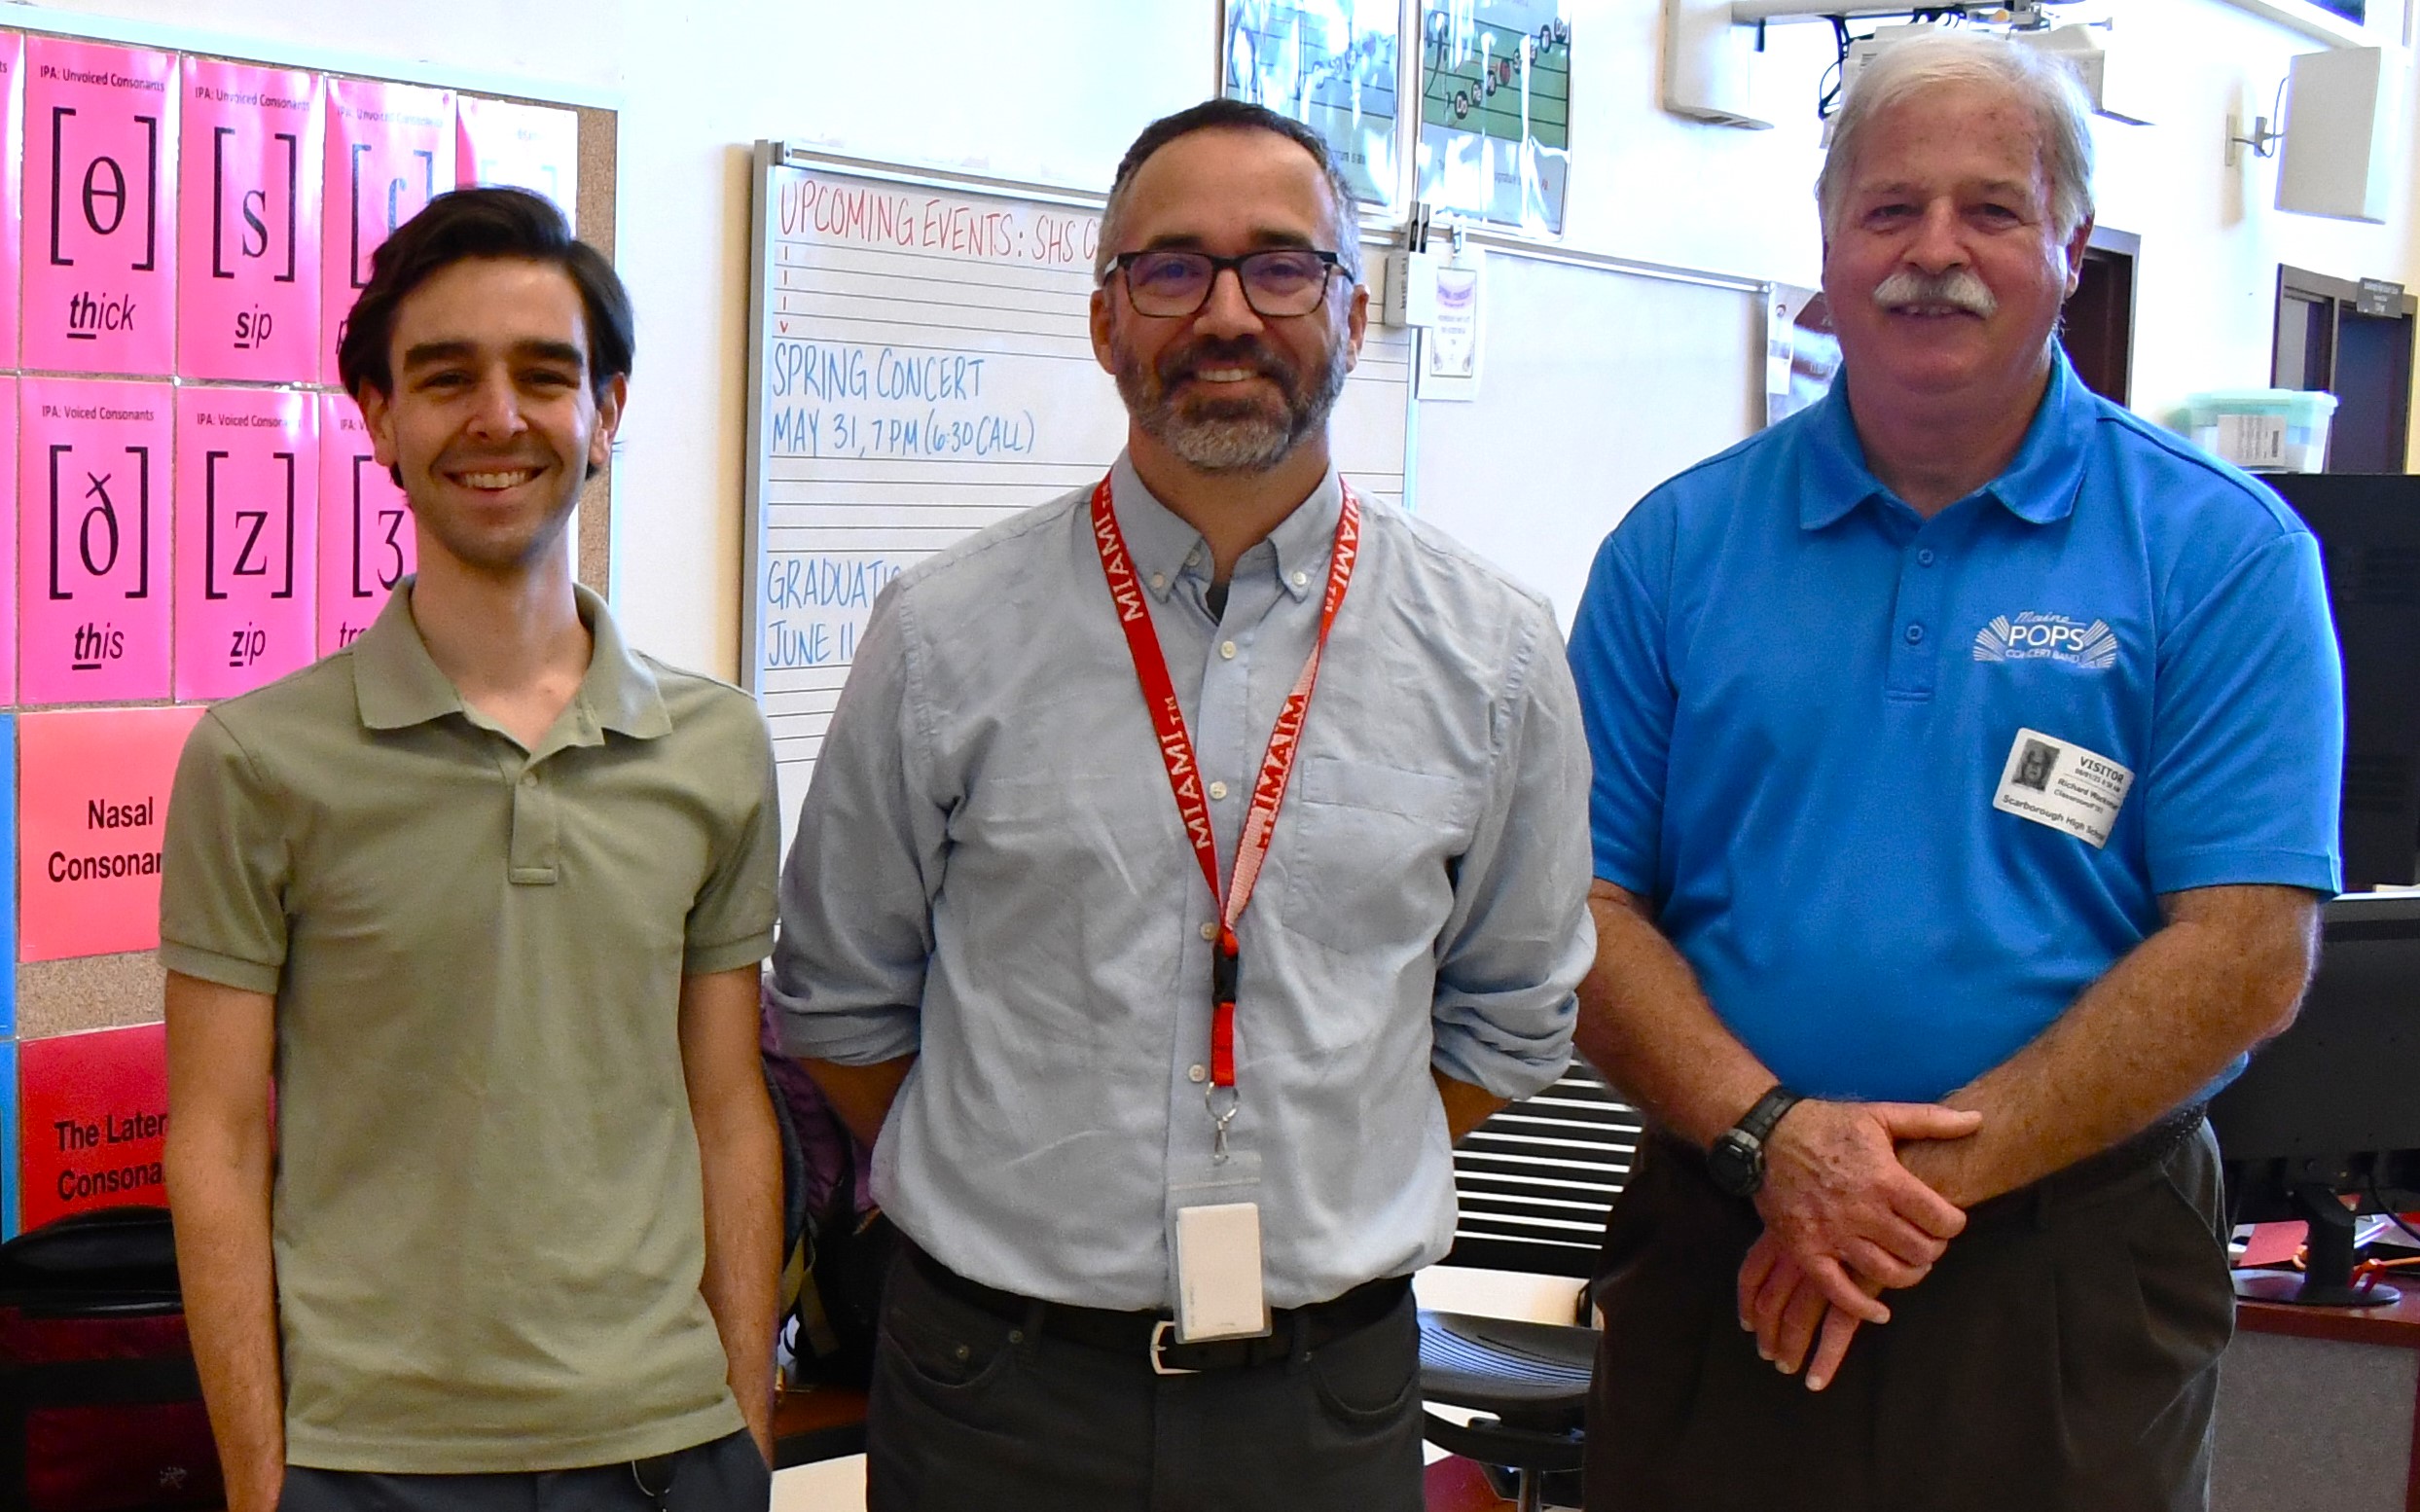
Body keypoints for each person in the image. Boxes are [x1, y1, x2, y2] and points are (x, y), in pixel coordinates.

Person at [768, 97, 1593, 1512]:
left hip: (1323, 1401)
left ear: (1352, 312)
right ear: (1106, 322)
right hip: (997, 1392)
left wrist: (1336, 1157)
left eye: (1280, 265)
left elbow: (1512, 1010)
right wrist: (1028, 1177)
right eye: (1172, 269)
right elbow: (841, 1003)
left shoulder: (1498, 654)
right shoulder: (943, 635)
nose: (1227, 311)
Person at [1568, 32, 2340, 1512]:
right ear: (1828, 248)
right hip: (1729, 1235)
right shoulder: (1674, 550)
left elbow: (2248, 952)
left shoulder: (2223, 557)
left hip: (2065, 1272)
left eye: (1991, 209)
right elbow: (1581, 908)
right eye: (1889, 211)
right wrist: (1776, 1142)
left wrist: (1888, 1188)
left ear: (2073, 246)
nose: (1935, 252)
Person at [161, 188, 782, 1512]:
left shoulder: (716, 748)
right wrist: (263, 1483)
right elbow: (211, 1139)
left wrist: (744, 1421)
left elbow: (730, 1108)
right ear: (380, 418)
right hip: (368, 1463)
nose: (497, 416)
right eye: (445, 378)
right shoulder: (260, 761)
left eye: (543, 375)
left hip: (667, 1452)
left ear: (606, 411)